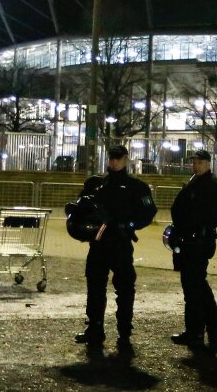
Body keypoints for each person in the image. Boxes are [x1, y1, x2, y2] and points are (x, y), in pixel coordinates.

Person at [73, 144, 157, 351]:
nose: (114, 162)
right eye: (112, 158)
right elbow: (82, 211)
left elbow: (148, 213)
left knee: (125, 288)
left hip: (120, 242)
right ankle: (95, 328)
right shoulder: (97, 185)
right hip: (99, 243)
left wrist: (128, 225)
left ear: (126, 159)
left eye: (118, 158)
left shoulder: (136, 187)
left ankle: (124, 330)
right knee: (95, 287)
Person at [169, 149, 217, 351]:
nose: (195, 165)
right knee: (196, 286)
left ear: (208, 163)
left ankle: (197, 331)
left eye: (199, 162)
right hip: (191, 240)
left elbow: (199, 215)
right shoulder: (197, 182)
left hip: (197, 242)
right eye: (194, 162)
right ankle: (209, 326)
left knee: (194, 288)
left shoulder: (209, 185)